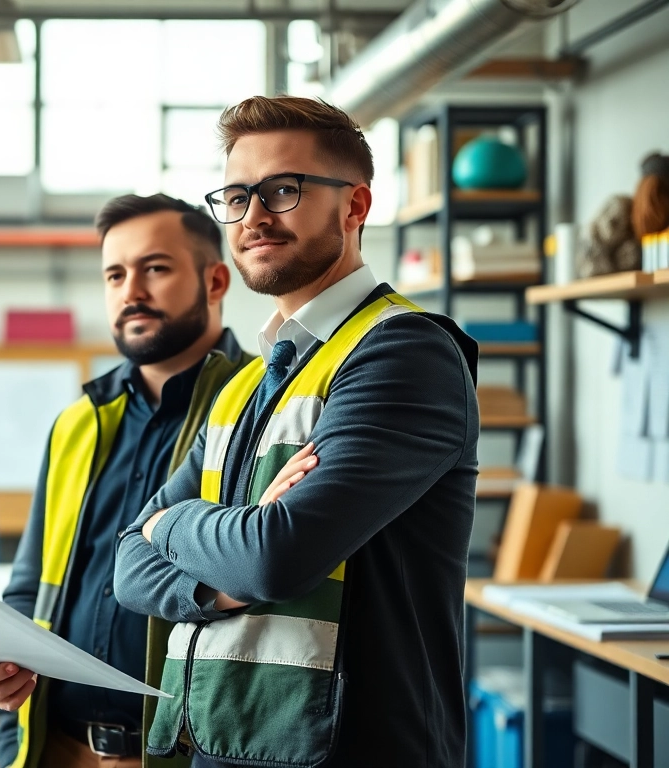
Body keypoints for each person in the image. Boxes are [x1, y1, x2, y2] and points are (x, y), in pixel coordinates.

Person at [114, 96, 480, 768]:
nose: (254, 216)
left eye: (283, 190)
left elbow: (273, 557)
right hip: (221, 746)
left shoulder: (403, 353)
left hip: (357, 751)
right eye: (237, 196)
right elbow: (128, 568)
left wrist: (168, 522)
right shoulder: (243, 385)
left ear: (354, 206)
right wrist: (224, 573)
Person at [0, 194, 256, 768]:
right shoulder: (78, 422)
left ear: (215, 281)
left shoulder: (260, 406)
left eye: (155, 268)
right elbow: (32, 586)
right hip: (55, 749)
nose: (130, 291)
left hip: (185, 755)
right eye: (115, 275)